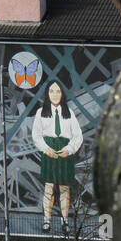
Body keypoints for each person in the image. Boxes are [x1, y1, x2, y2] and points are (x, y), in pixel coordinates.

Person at [31, 81, 83, 232]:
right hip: (49, 152)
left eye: (58, 91)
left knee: (64, 189)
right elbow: (36, 135)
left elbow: (78, 135)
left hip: (64, 152)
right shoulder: (41, 112)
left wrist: (69, 149)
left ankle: (64, 221)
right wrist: (46, 149)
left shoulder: (69, 113)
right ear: (47, 94)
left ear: (62, 94)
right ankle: (46, 221)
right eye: (52, 91)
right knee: (49, 188)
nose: (55, 94)